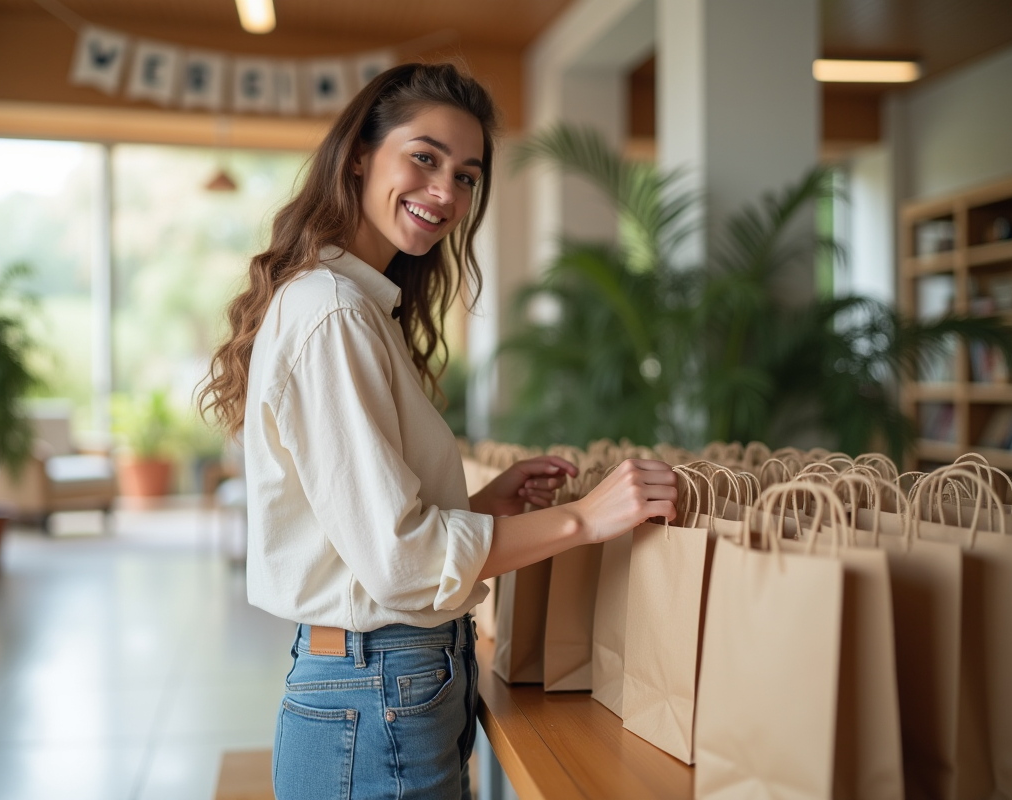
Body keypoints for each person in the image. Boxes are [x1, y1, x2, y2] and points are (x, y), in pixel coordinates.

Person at [198, 62, 677, 800]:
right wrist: (583, 518)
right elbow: (398, 563)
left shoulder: (357, 306)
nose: (446, 192)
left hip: (387, 684)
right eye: (424, 158)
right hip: (378, 690)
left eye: (467, 175)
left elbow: (366, 541)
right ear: (361, 155)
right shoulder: (333, 313)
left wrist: (483, 504)